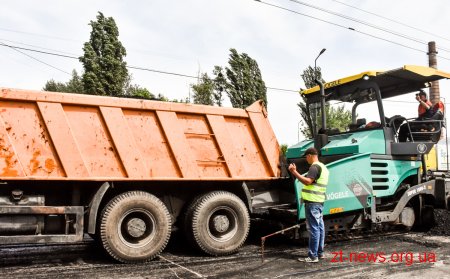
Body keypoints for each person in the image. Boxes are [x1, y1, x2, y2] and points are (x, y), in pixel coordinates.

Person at [288, 147, 329, 263]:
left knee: (314, 229)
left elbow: (307, 181)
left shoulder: (314, 167)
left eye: (306, 157)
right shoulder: (324, 168)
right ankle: (320, 253)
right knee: (320, 228)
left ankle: (312, 256)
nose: (306, 159)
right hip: (319, 202)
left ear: (310, 155)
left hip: (312, 203)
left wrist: (294, 172)